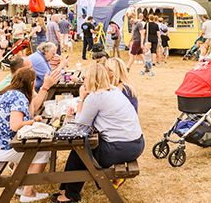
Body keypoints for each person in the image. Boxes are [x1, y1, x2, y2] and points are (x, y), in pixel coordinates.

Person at [54, 64, 145, 202]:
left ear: (92, 79)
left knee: (79, 155)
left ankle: (69, 196)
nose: (82, 81)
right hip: (137, 144)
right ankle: (66, 190)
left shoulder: (95, 97)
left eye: (84, 78)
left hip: (120, 148)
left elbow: (80, 122)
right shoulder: (113, 89)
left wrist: (82, 98)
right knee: (80, 152)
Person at [0, 67, 50, 201]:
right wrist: (33, 121)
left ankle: (18, 187)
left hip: (0, 142)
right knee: (43, 152)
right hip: (3, 147)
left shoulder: (6, 92)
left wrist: (31, 95)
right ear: (31, 83)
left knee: (24, 152)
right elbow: (15, 125)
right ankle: (28, 193)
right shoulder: (19, 97)